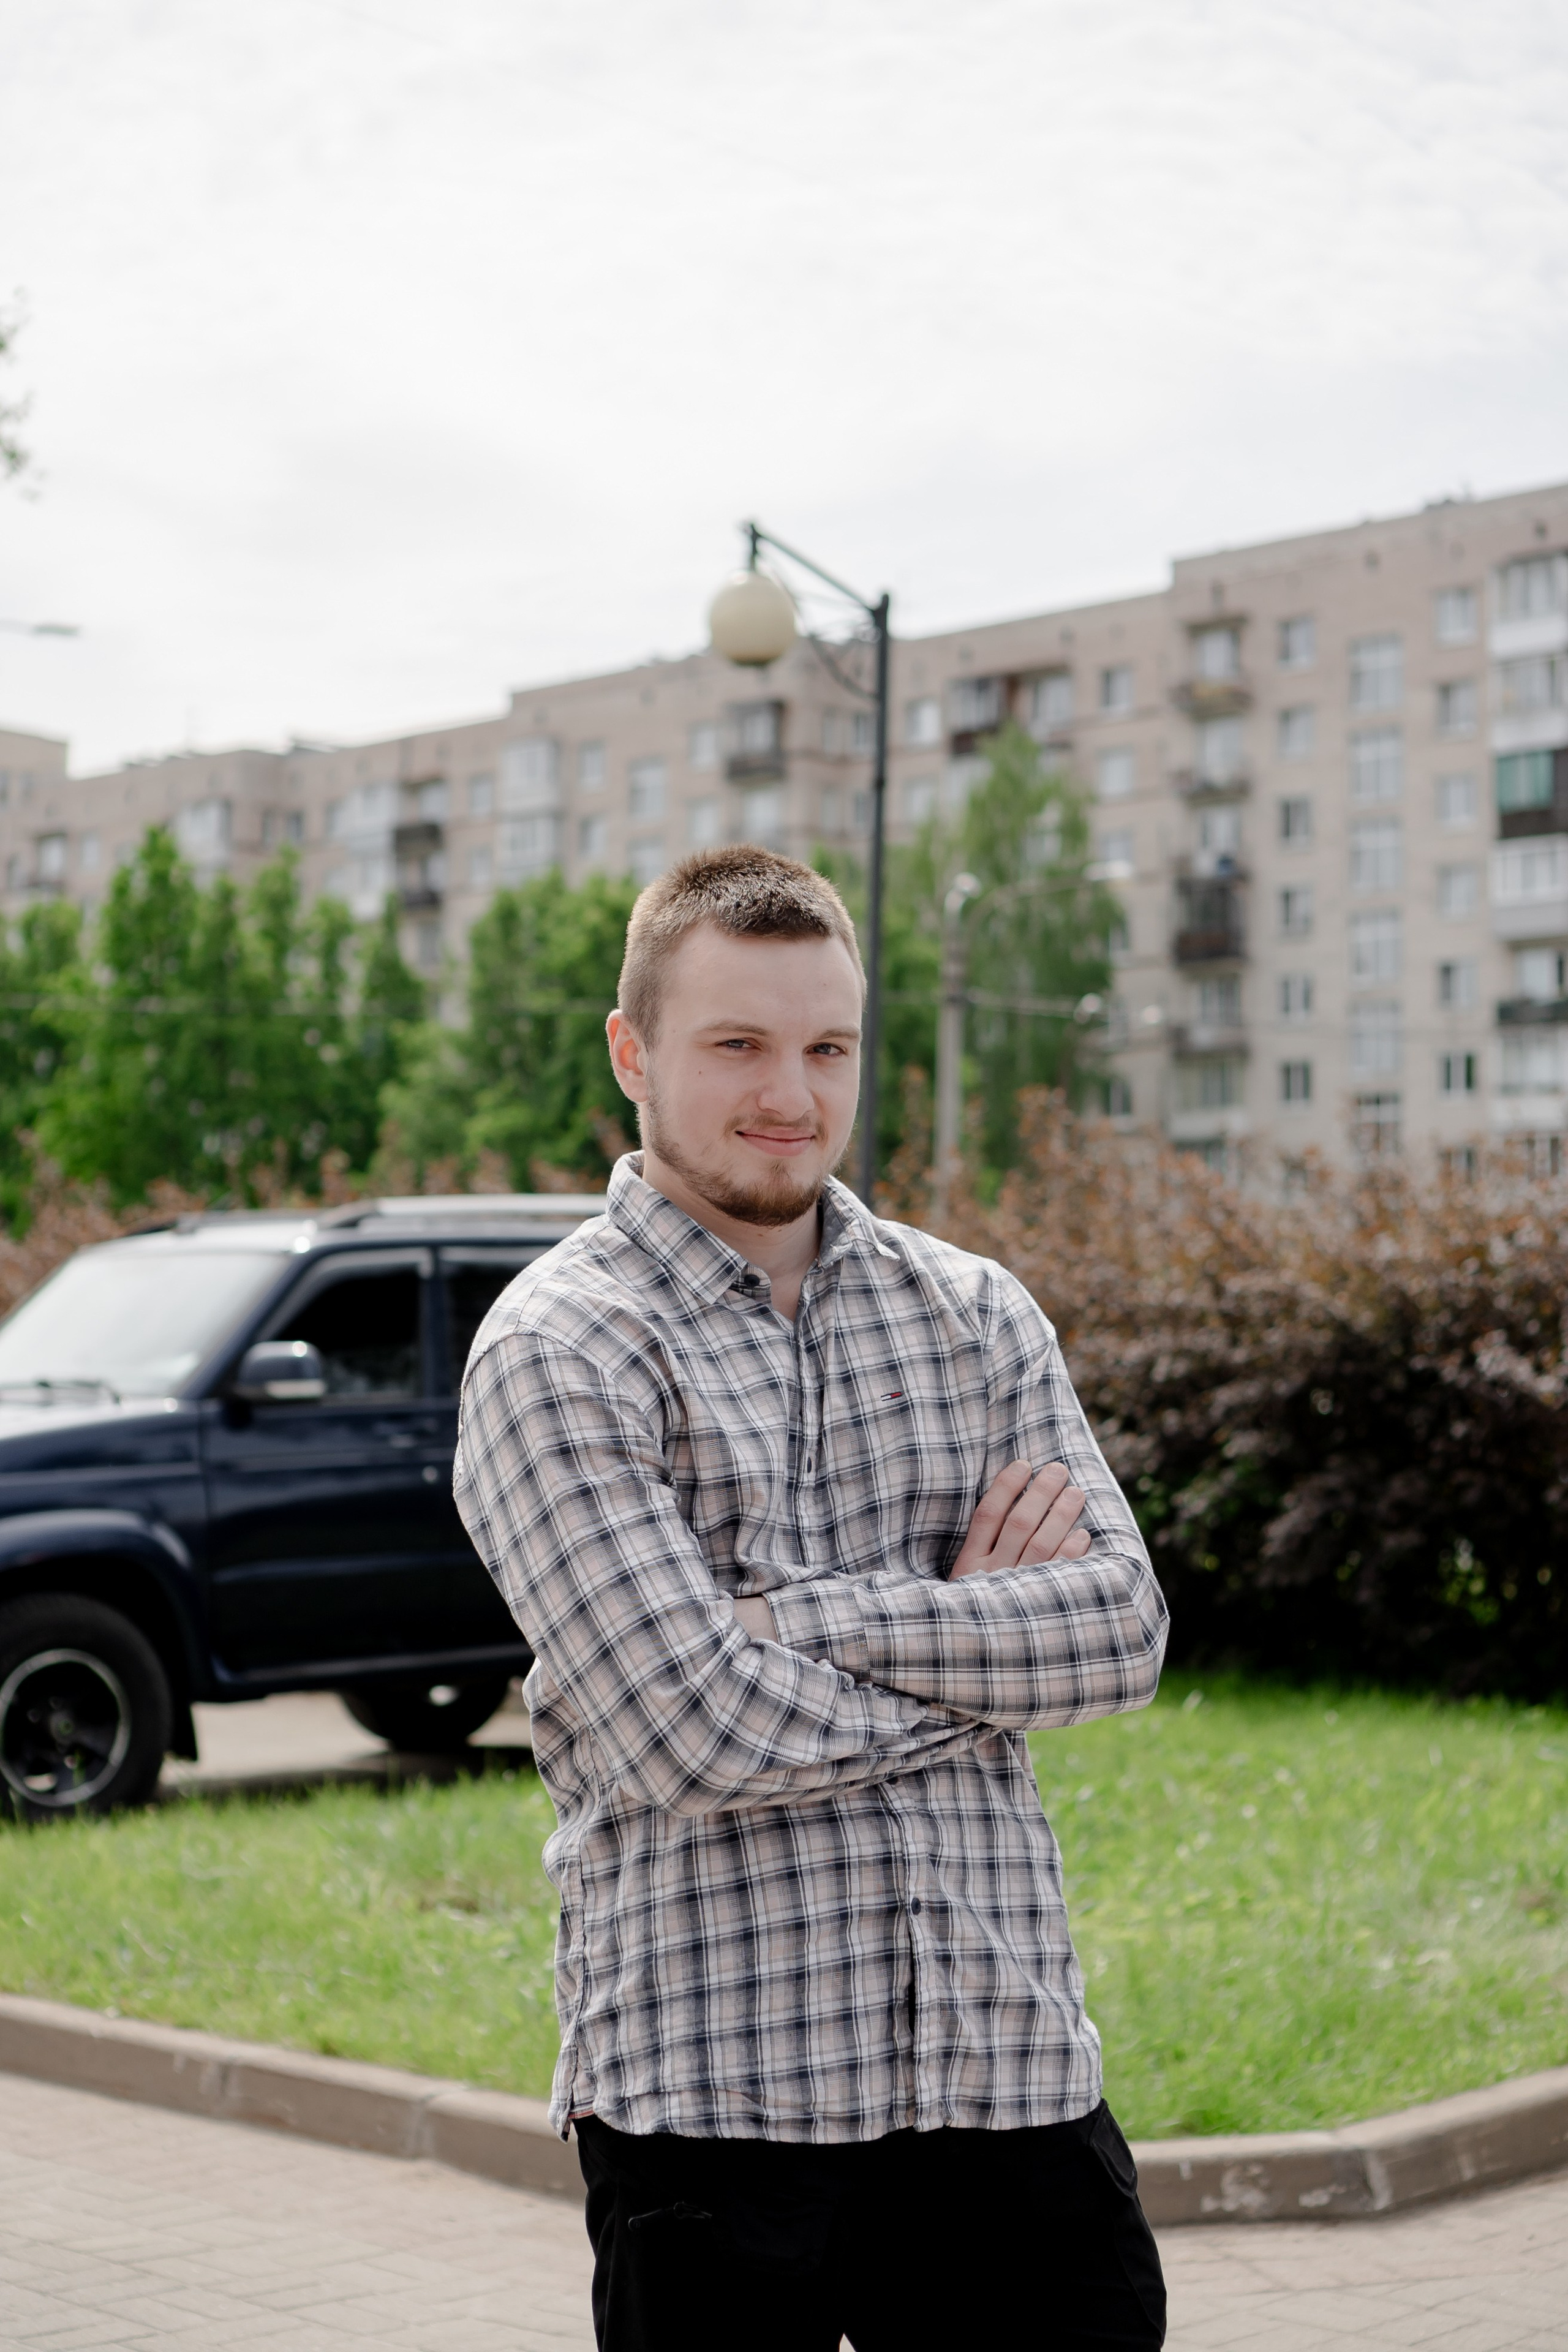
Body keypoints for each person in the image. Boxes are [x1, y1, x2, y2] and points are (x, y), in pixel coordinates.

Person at [454, 846, 1169, 2351]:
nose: (791, 1091)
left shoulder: (973, 1311)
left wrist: (800, 1620)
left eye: (825, 1046)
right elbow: (690, 1730)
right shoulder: (561, 1350)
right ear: (632, 1052)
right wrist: (978, 1654)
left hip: (1007, 2079)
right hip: (718, 2113)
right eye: (737, 1045)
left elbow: (1119, 1631)